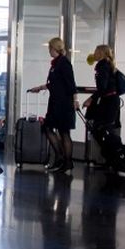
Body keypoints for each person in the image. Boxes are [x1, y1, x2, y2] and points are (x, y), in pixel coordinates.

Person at [28, 37, 78, 173]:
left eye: (50, 48)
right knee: (56, 130)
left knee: (60, 131)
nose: (48, 51)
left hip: (63, 104)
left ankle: (64, 159)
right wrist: (40, 87)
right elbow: (55, 83)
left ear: (54, 48)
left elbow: (71, 84)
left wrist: (75, 100)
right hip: (56, 102)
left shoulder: (64, 64)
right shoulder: (56, 64)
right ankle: (63, 159)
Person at [82, 44, 120, 131]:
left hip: (109, 102)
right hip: (111, 100)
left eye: (95, 52)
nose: (93, 54)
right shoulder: (106, 65)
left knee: (103, 127)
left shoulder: (103, 67)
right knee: (104, 126)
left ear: (101, 53)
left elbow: (102, 88)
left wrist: (90, 99)